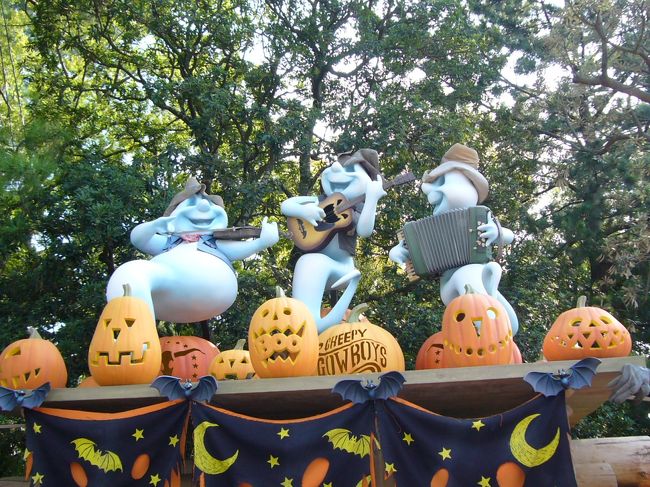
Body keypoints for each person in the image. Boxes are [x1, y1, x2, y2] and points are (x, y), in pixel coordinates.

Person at [281, 149, 386, 333]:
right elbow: (286, 205)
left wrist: (372, 200)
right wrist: (304, 211)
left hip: (343, 268)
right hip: (318, 265)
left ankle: (308, 325)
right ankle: (304, 321)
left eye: (349, 169)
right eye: (335, 165)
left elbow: (365, 230)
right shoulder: (322, 201)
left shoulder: (357, 209)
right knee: (310, 261)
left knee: (311, 262)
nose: (336, 169)